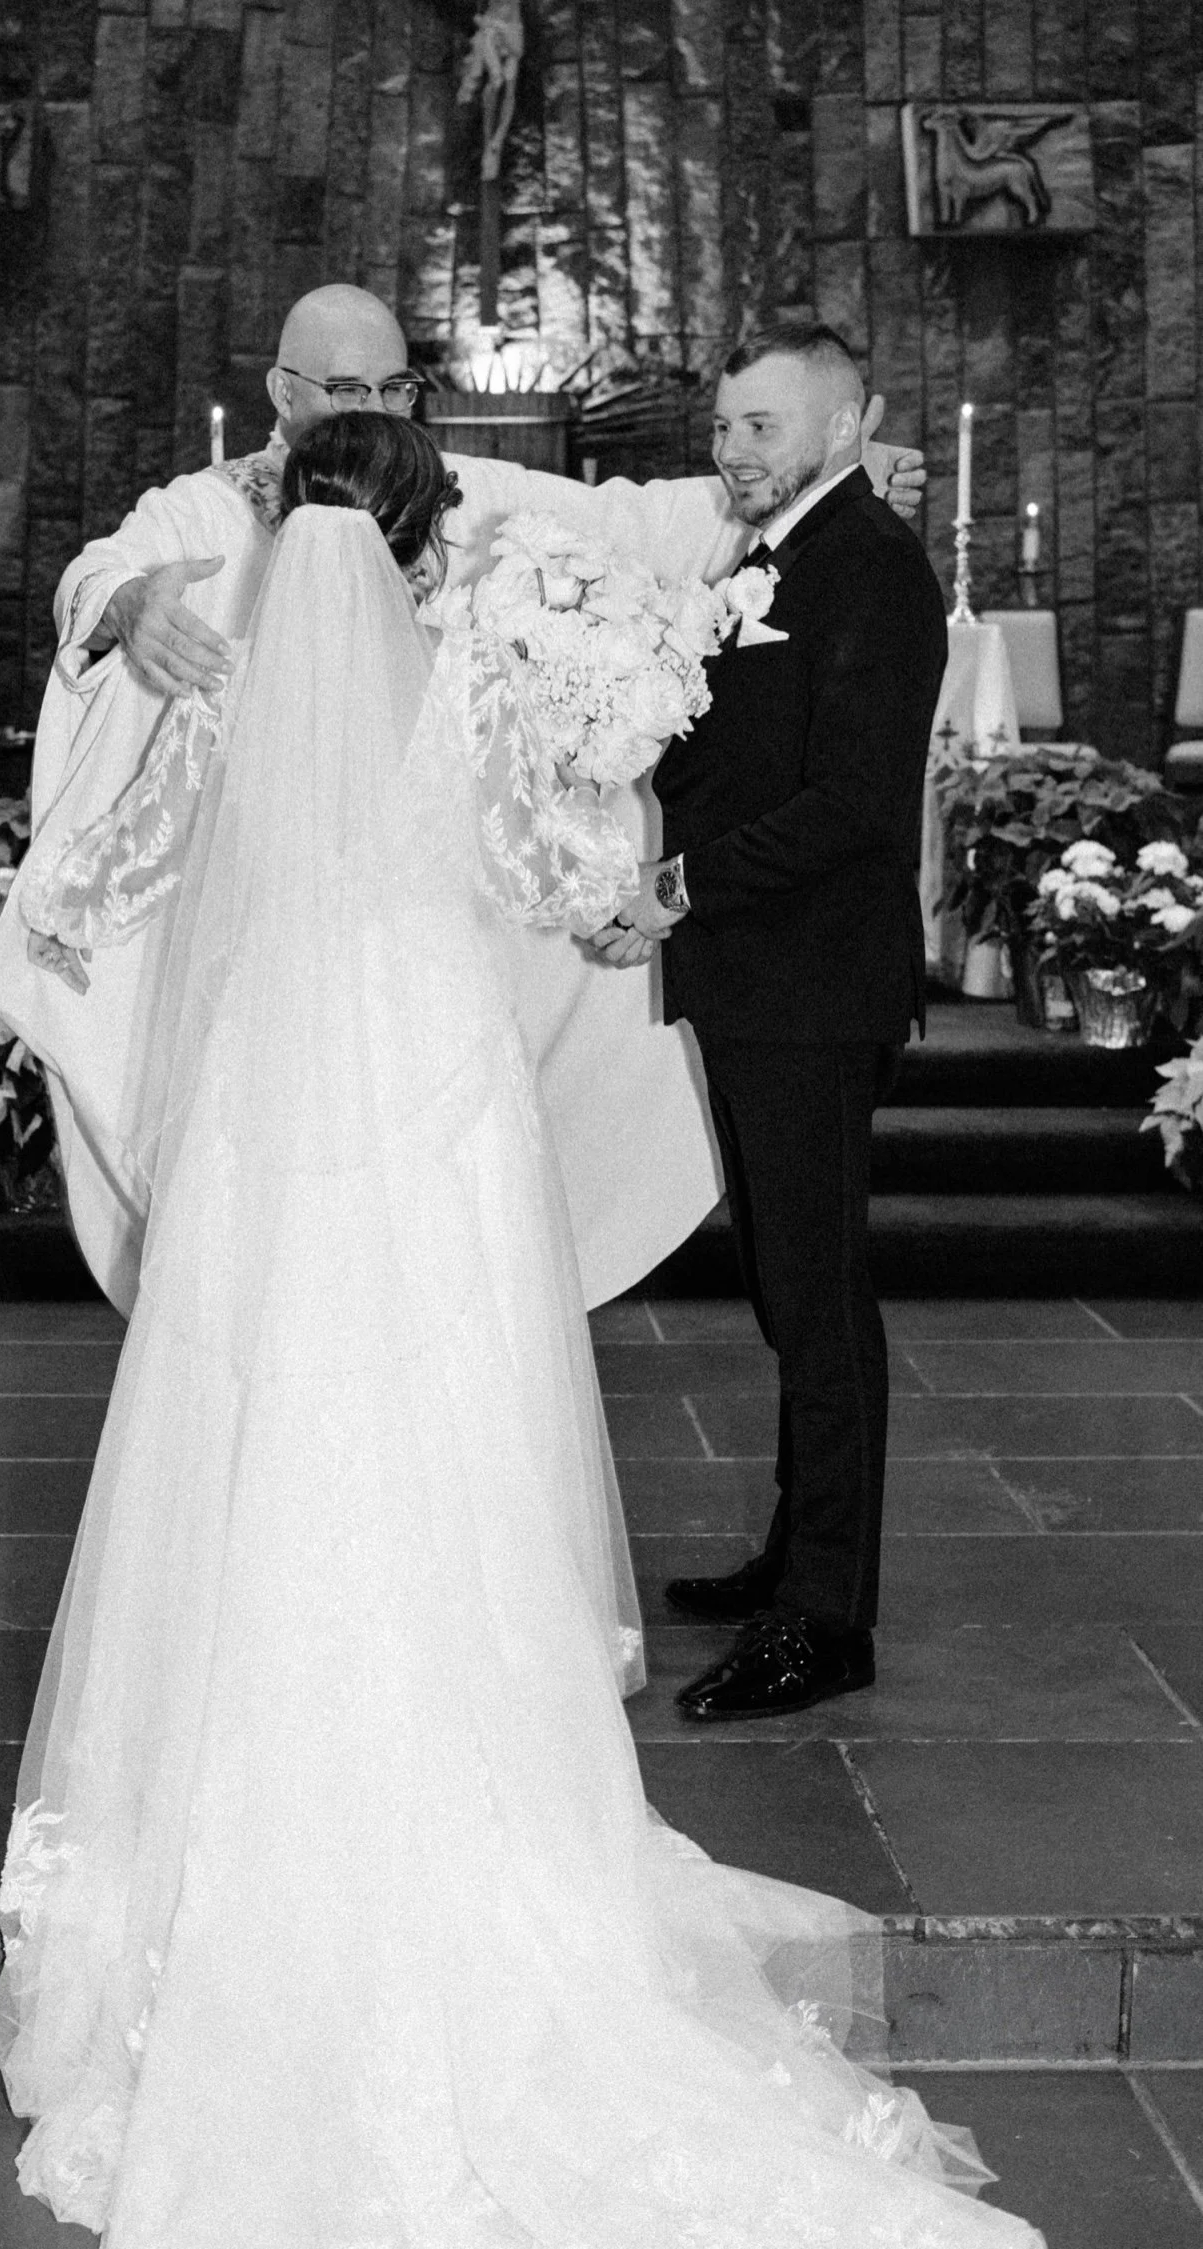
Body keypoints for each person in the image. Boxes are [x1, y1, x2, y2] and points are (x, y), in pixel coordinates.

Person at [0, 413, 1040, 2248]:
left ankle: (255, 1783)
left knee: (260, 1410)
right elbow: (552, 867)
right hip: (433, 1086)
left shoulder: (226, 679)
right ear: (417, 542)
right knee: (445, 1404)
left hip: (272, 1095)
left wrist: (34, 991)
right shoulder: (467, 670)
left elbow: (111, 872)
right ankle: (472, 1776)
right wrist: (631, 887)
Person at [0, 283, 928, 1318]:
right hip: (311, 965)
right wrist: (124, 601)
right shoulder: (201, 507)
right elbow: (101, 570)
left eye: (396, 384)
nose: (376, 406)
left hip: (366, 975)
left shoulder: (460, 490)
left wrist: (831, 472)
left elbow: (631, 516)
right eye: (346, 386)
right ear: (281, 390)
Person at [597, 324, 949, 1723]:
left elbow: (854, 801)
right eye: (725, 424)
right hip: (758, 979)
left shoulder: (868, 564)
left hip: (813, 982)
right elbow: (723, 751)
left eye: (761, 424)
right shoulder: (769, 560)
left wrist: (676, 885)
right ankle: (799, 1563)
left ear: (849, 421)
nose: (731, 446)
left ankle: (827, 1620)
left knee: (820, 1302)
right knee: (786, 1288)